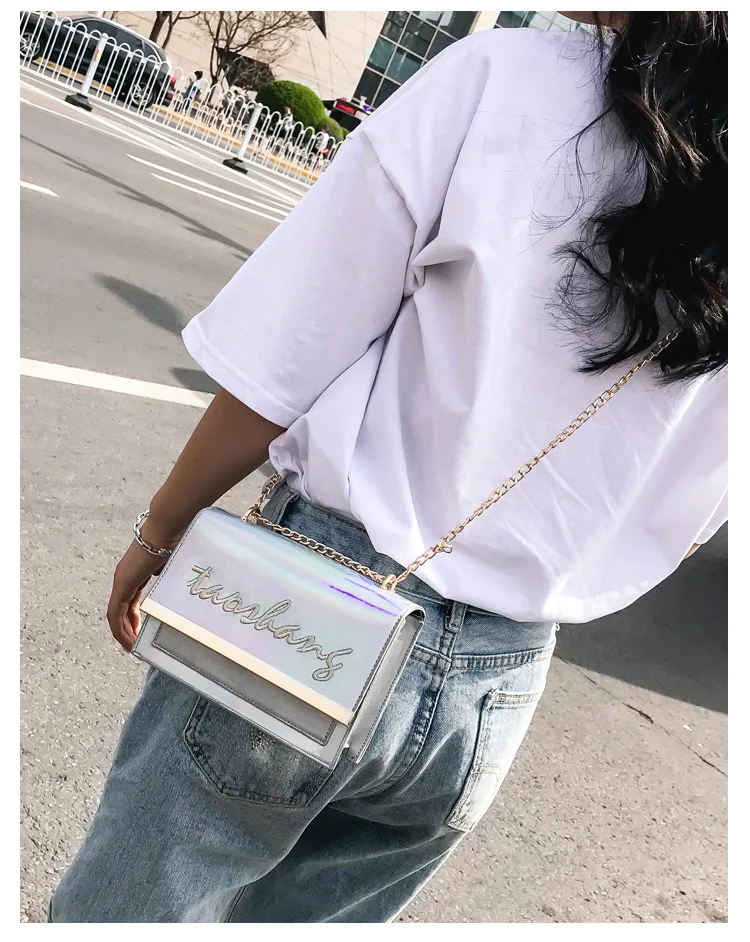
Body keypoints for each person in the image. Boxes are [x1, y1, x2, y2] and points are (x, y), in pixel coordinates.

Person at [51, 11, 727, 923]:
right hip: (496, 685)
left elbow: (285, 351)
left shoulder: (507, 76)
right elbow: (691, 519)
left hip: (316, 608)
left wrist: (159, 530)